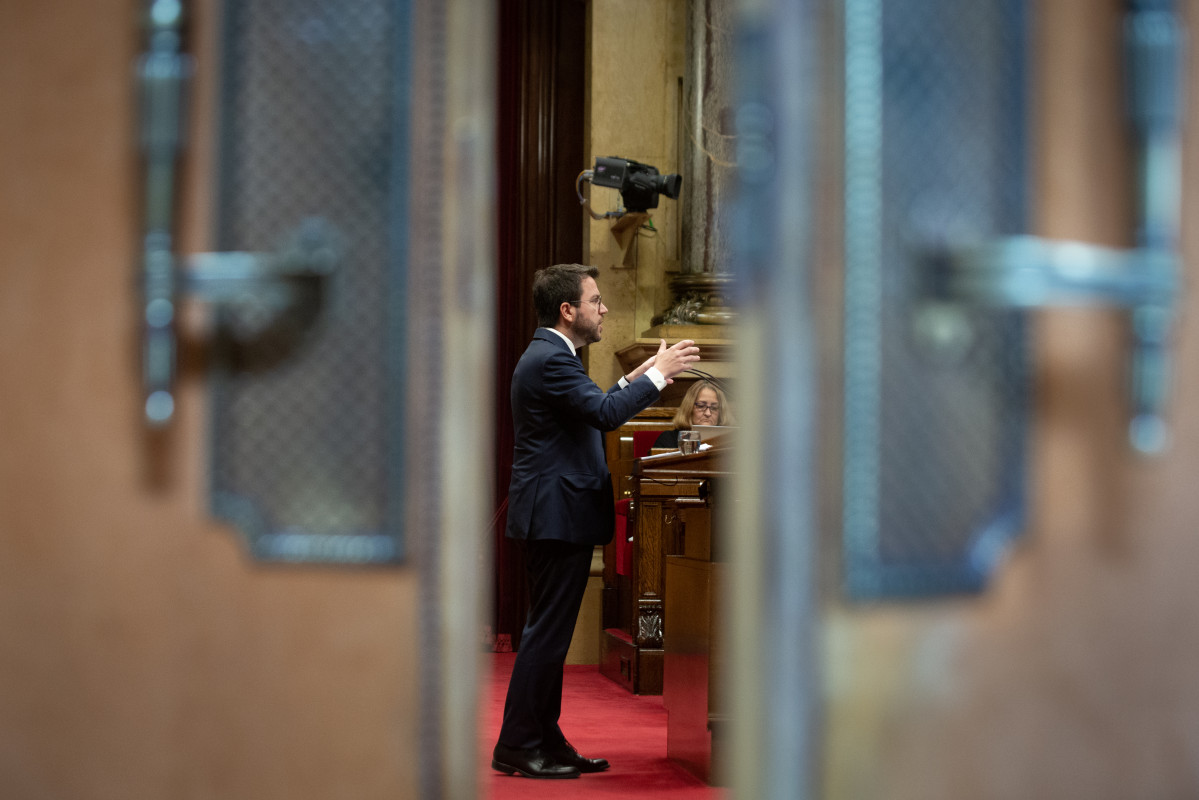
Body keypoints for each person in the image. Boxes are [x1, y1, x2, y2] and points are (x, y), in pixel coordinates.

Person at [493, 263, 700, 780]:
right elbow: (606, 415)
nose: (604, 309)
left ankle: (544, 736)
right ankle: (518, 744)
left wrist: (638, 376)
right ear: (568, 310)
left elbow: (596, 405)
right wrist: (659, 374)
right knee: (546, 635)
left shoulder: (552, 357)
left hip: (556, 515)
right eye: (596, 300)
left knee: (552, 634)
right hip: (556, 516)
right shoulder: (551, 360)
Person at [652, 379, 735, 449]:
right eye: (701, 406)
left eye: (714, 408)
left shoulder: (731, 442)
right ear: (689, 408)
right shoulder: (668, 439)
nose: (708, 413)